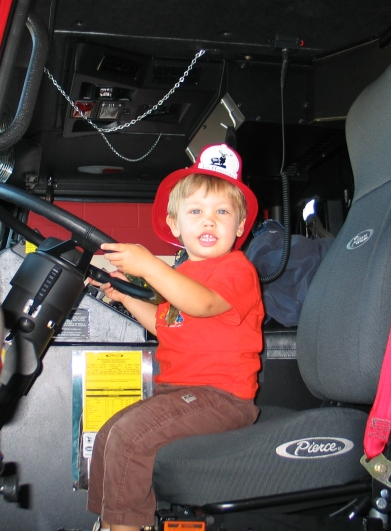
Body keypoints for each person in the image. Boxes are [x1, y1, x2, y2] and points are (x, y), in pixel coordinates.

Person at [87, 144, 264, 531]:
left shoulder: (236, 269)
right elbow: (165, 324)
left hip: (222, 398)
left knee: (131, 436)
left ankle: (126, 526)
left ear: (239, 226)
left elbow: (201, 304)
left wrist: (150, 266)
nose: (209, 221)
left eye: (222, 212)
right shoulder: (181, 277)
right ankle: (109, 520)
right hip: (177, 393)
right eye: (196, 211)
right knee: (109, 432)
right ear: (174, 224)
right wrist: (125, 297)